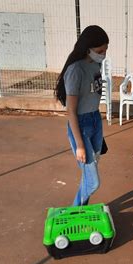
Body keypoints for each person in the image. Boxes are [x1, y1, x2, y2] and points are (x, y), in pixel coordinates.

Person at [55, 25, 109, 206]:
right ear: (88, 48)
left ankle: (81, 211)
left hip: (95, 119)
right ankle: (75, 210)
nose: (104, 54)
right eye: (100, 50)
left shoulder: (96, 65)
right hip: (81, 125)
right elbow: (71, 110)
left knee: (89, 175)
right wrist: (79, 144)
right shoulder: (75, 70)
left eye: (106, 49)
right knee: (93, 181)